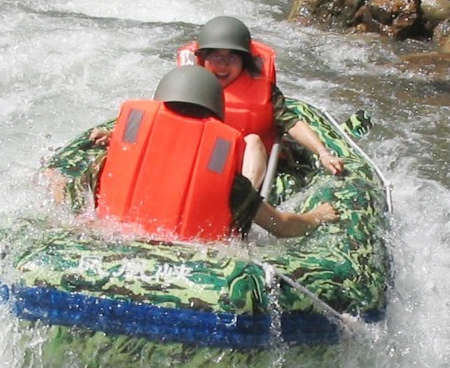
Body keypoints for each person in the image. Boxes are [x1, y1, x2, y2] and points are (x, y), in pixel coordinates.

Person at [96, 66, 338, 241]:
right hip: (194, 266)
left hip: (117, 246)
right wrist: (317, 216)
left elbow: (75, 204)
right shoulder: (230, 185)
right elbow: (282, 227)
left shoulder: (110, 161)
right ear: (213, 114)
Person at [179, 16, 345, 186]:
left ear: (244, 62)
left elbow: (292, 123)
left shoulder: (265, 92)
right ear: (202, 59)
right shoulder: (185, 87)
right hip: (202, 159)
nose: (223, 65)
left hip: (245, 163)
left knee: (252, 139)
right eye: (215, 56)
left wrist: (323, 153)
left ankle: (247, 199)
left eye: (232, 57)